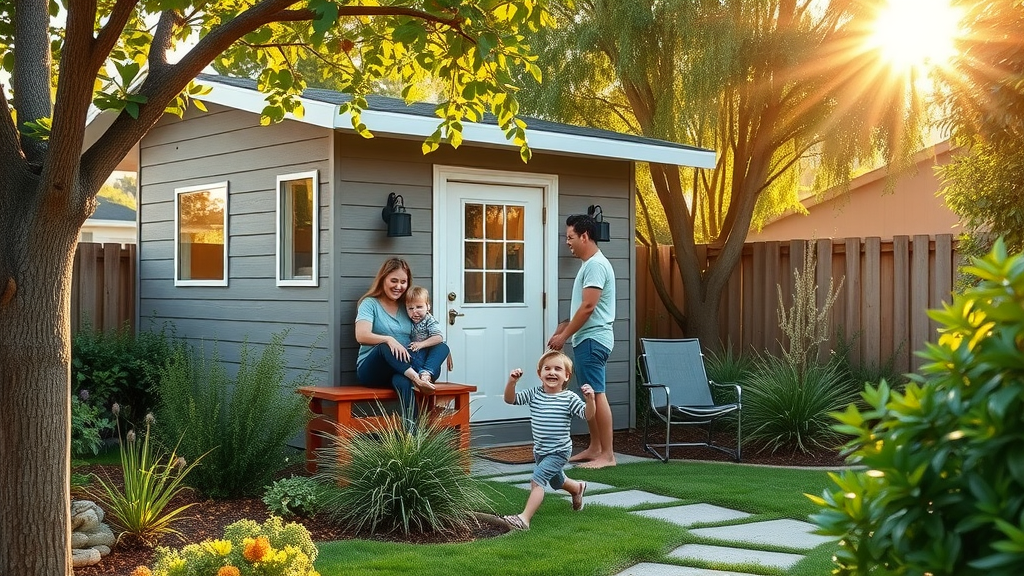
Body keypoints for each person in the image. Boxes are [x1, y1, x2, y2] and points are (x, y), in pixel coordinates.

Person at [546, 214, 617, 468]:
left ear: (584, 236)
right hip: (587, 338)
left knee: (597, 394)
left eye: (570, 237)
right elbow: (582, 307)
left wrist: (564, 336)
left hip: (593, 339)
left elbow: (589, 307)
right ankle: (595, 447)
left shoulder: (595, 265)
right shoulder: (589, 265)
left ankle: (608, 455)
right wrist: (564, 327)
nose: (568, 242)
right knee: (590, 393)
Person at [500, 350, 595, 531]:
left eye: (558, 369)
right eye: (547, 369)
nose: (552, 372)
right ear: (539, 374)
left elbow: (588, 415)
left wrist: (590, 399)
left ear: (566, 376)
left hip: (559, 451)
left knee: (538, 481)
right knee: (557, 482)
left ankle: (523, 519)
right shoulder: (534, 394)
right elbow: (510, 399)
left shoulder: (569, 399)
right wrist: (512, 383)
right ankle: (577, 488)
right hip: (540, 450)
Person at [354, 258, 450, 421]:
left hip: (404, 369)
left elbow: (429, 330)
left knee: (405, 378)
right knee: (385, 346)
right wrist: (389, 340)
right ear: (383, 279)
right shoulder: (370, 304)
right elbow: (361, 335)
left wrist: (439, 345)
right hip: (374, 369)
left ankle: (412, 435)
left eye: (403, 282)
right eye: (394, 281)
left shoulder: (409, 306)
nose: (399, 286)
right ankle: (417, 379)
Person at [404, 285, 449, 384]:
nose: (415, 311)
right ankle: (417, 376)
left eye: (419, 307)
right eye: (410, 308)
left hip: (428, 362)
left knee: (444, 347)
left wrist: (421, 344)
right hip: (414, 360)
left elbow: (439, 337)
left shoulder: (429, 320)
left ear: (428, 306)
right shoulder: (407, 320)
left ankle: (425, 374)